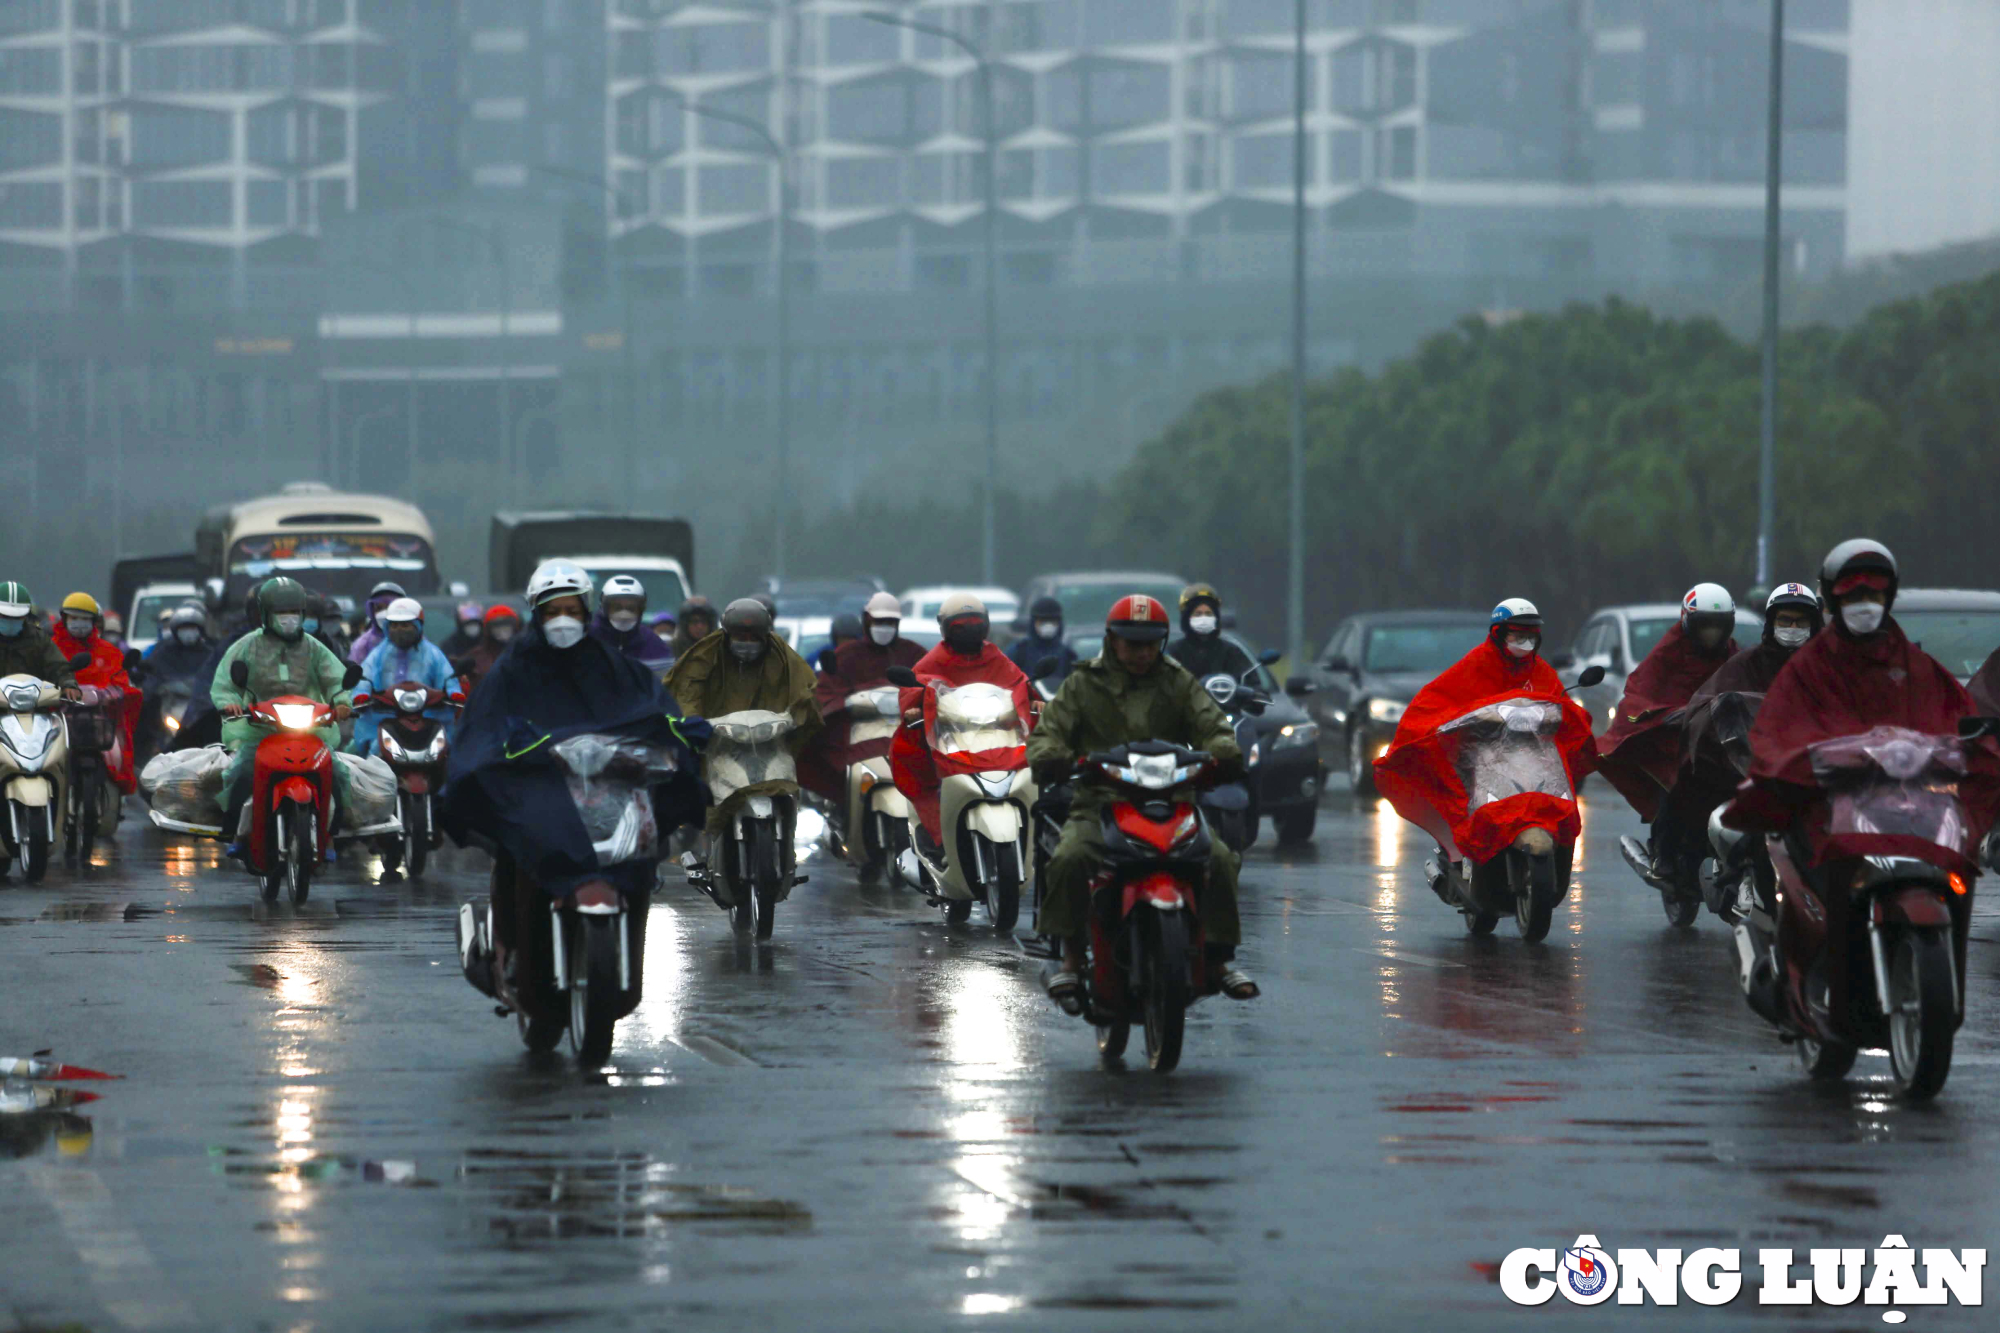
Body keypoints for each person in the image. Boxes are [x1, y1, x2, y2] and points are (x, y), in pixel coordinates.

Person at [1723, 540, 2000, 1019]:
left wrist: (1968, 743)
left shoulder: (1914, 665)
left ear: (1889, 598)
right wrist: (1805, 759)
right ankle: (1815, 981)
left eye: (1874, 595)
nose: (1865, 606)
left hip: (1908, 804)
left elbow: (1956, 712)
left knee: (1951, 862)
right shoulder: (1810, 666)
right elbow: (1777, 729)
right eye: (1853, 597)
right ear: (1834, 600)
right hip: (1833, 807)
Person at [441, 559, 708, 1032]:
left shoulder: (618, 668)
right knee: (517, 847)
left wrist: (678, 732)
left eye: (571, 608)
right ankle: (510, 951)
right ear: (536, 615)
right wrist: (510, 750)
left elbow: (652, 711)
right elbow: (485, 727)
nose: (563, 619)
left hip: (604, 788)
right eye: (552, 610)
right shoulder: (512, 671)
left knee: (642, 853)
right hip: (538, 789)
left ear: (587, 612)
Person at [1028, 594, 1255, 1007]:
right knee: (1069, 858)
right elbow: (1049, 732)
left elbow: (1212, 724)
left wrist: (1223, 751)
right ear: (1112, 640)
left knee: (1220, 858)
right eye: (1133, 643)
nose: (1142, 652)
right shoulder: (1083, 683)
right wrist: (1052, 757)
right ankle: (1073, 960)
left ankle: (1219, 958)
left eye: (1151, 643)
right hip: (1100, 801)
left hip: (1173, 800)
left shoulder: (1178, 680)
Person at [1374, 598, 1598, 898]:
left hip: (1531, 760)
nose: (1525, 642)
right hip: (1481, 758)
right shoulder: (1475, 665)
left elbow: (1559, 705)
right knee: (1466, 800)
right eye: (1518, 635)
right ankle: (1463, 864)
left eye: (1531, 636)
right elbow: (1436, 702)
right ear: (1498, 634)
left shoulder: (1541, 672)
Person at [1597, 582, 1739, 875]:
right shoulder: (1667, 652)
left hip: (1721, 741)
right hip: (1674, 742)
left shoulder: (1734, 654)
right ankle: (1663, 854)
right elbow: (1640, 690)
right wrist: (1668, 715)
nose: (1712, 635)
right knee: (1677, 786)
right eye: (1704, 626)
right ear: (1688, 623)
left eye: (1718, 626)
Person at [211, 578, 355, 847]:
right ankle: (233, 827)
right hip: (257, 730)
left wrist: (341, 701)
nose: (289, 619)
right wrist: (229, 702)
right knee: (241, 771)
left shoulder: (314, 647)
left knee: (337, 772)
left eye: (294, 612)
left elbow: (335, 678)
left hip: (310, 728)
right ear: (265, 614)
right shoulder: (247, 646)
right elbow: (224, 684)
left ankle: (335, 829)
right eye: (281, 613)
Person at [665, 597, 821, 835]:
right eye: (740, 637)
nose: (746, 643)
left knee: (786, 785)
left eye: (753, 637)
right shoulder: (706, 653)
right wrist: (692, 719)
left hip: (769, 741)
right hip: (719, 741)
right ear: (727, 635)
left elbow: (804, 688)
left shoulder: (782, 656)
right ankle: (703, 844)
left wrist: (799, 713)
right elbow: (688, 688)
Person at [890, 593, 1033, 851]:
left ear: (985, 627)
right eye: (960, 627)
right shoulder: (935, 659)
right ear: (946, 628)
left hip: (995, 736)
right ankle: (938, 836)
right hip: (951, 738)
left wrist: (1034, 701)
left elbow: (1017, 682)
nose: (968, 632)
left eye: (975, 626)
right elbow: (916, 683)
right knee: (915, 759)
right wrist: (916, 706)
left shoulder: (994, 656)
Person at [804, 592, 924, 804]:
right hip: (857, 735)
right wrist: (849, 704)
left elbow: (930, 686)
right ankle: (842, 809)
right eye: (879, 621)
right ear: (867, 620)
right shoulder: (847, 655)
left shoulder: (913, 653)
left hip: (905, 735)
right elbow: (827, 692)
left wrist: (919, 706)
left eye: (890, 622)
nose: (884, 627)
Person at [50, 593, 140, 796]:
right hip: (59, 718)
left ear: (94, 622)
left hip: (97, 720)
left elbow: (121, 681)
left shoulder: (109, 652)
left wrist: (115, 693)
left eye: (84, 619)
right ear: (64, 620)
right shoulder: (50, 648)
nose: (79, 623)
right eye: (73, 618)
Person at [353, 598, 459, 757]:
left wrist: (454, 693)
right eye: (394, 625)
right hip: (386, 719)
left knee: (448, 756)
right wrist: (360, 695)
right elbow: (364, 678)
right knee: (374, 753)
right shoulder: (378, 655)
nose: (399, 630)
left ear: (418, 625)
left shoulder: (433, 654)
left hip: (427, 720)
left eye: (405, 625)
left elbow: (447, 678)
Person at [0, 582, 81, 698]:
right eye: (5, 616)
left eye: (17, 617)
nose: (11, 620)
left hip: (33, 708)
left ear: (26, 615)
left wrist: (68, 684)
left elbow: (57, 667)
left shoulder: (39, 639)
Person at [1166, 583, 1256, 682]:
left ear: (1216, 617)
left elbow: (1253, 685)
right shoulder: (1173, 653)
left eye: (1208, 614)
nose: (1204, 618)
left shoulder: (1231, 653)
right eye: (1198, 614)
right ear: (1187, 617)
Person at [588, 575, 675, 677]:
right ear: (604, 608)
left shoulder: (655, 645)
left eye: (631, 608)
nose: (624, 614)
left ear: (641, 610)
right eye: (617, 607)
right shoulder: (587, 639)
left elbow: (666, 686)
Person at [1005, 595, 1077, 684]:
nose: (1048, 625)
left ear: (1059, 623)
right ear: (1033, 623)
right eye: (1042, 621)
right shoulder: (1018, 652)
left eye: (1052, 621)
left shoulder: (1068, 656)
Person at [464, 604, 521, 693]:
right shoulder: (475, 657)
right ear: (488, 630)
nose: (502, 631)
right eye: (497, 626)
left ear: (515, 627)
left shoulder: (527, 652)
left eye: (506, 626)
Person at [347, 580, 407, 664]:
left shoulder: (414, 641)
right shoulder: (362, 645)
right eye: (379, 608)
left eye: (390, 607)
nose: (384, 613)